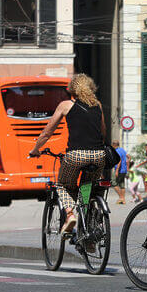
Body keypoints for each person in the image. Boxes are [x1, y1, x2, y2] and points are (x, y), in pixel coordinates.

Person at [29, 74, 107, 234]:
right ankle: (87, 231)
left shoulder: (66, 105)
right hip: (99, 155)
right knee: (87, 188)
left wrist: (35, 149)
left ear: (73, 89)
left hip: (76, 155)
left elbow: (47, 133)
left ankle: (70, 215)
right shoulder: (97, 105)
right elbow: (103, 132)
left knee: (63, 185)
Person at [112, 140, 128, 204]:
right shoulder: (122, 150)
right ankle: (123, 199)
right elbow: (129, 157)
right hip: (124, 170)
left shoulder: (117, 151)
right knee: (122, 184)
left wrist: (116, 171)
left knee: (114, 183)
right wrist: (127, 166)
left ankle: (121, 197)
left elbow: (119, 161)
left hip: (119, 170)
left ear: (114, 145)